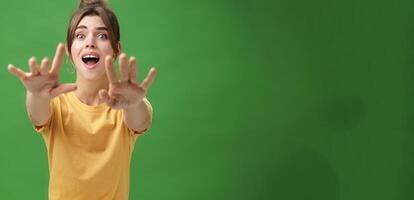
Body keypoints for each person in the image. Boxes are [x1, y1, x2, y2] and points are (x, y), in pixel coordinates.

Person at [7, 0, 156, 199]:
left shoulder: (126, 104)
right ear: (70, 50)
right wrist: (36, 94)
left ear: (116, 50)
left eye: (102, 36)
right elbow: (37, 114)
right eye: (80, 35)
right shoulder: (56, 105)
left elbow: (141, 120)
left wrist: (134, 103)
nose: (90, 42)